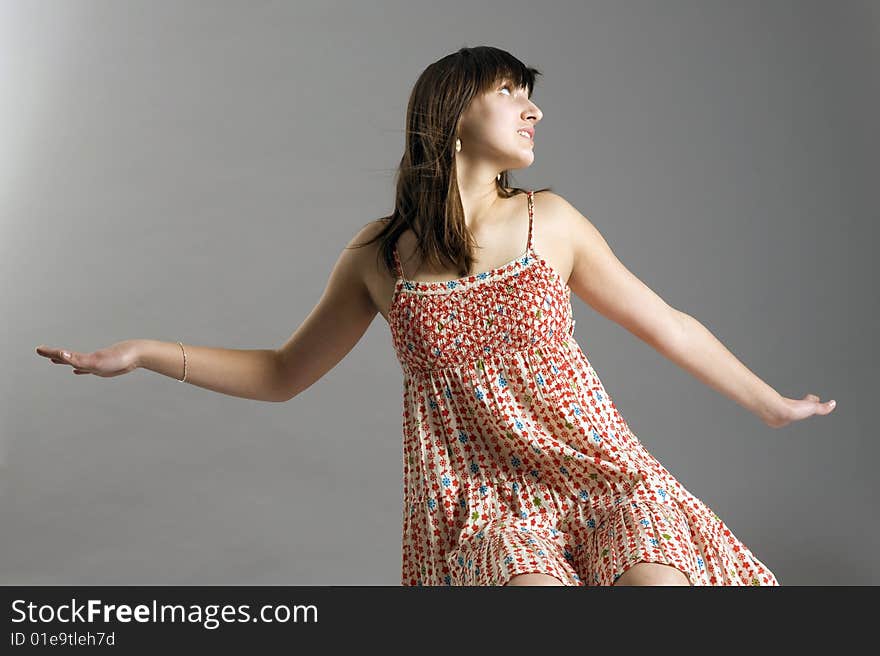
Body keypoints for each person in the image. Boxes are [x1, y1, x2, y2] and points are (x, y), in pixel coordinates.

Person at [35, 46, 837, 586]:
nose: (534, 113)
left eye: (532, 99)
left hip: (607, 482)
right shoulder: (378, 258)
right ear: (455, 111)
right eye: (511, 94)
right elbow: (282, 374)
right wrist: (143, 352)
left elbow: (668, 323)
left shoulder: (548, 221)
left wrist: (771, 406)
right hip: (480, 509)